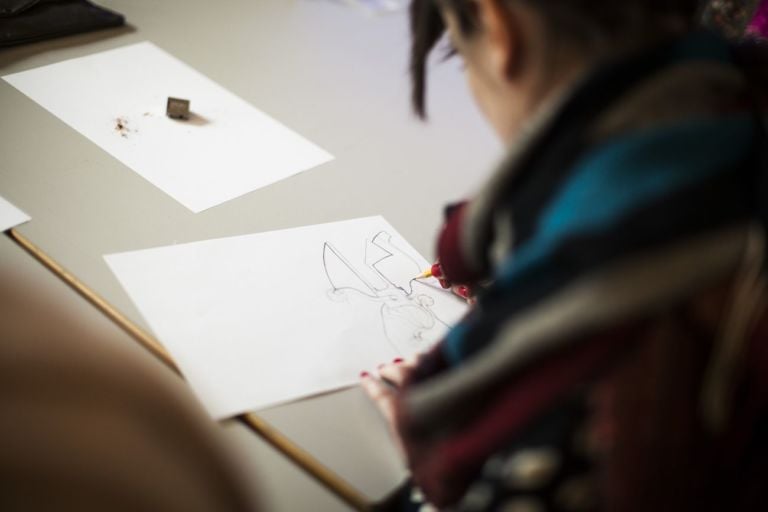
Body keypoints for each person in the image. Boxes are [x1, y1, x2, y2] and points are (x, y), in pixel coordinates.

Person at [361, 1, 768, 510]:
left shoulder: (602, 389)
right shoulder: (734, 105)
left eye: (462, 58)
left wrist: (439, 472)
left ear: (496, 26)